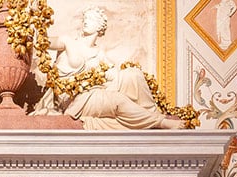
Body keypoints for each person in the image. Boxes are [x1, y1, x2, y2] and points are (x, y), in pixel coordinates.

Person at [39, 7, 186, 129]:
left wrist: (127, 74)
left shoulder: (99, 54)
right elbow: (43, 42)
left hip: (93, 93)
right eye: (85, 19)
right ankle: (160, 122)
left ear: (100, 26)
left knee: (132, 74)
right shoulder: (68, 41)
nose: (86, 22)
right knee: (117, 100)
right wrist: (37, 22)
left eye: (91, 19)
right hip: (74, 100)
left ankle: (151, 113)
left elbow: (113, 75)